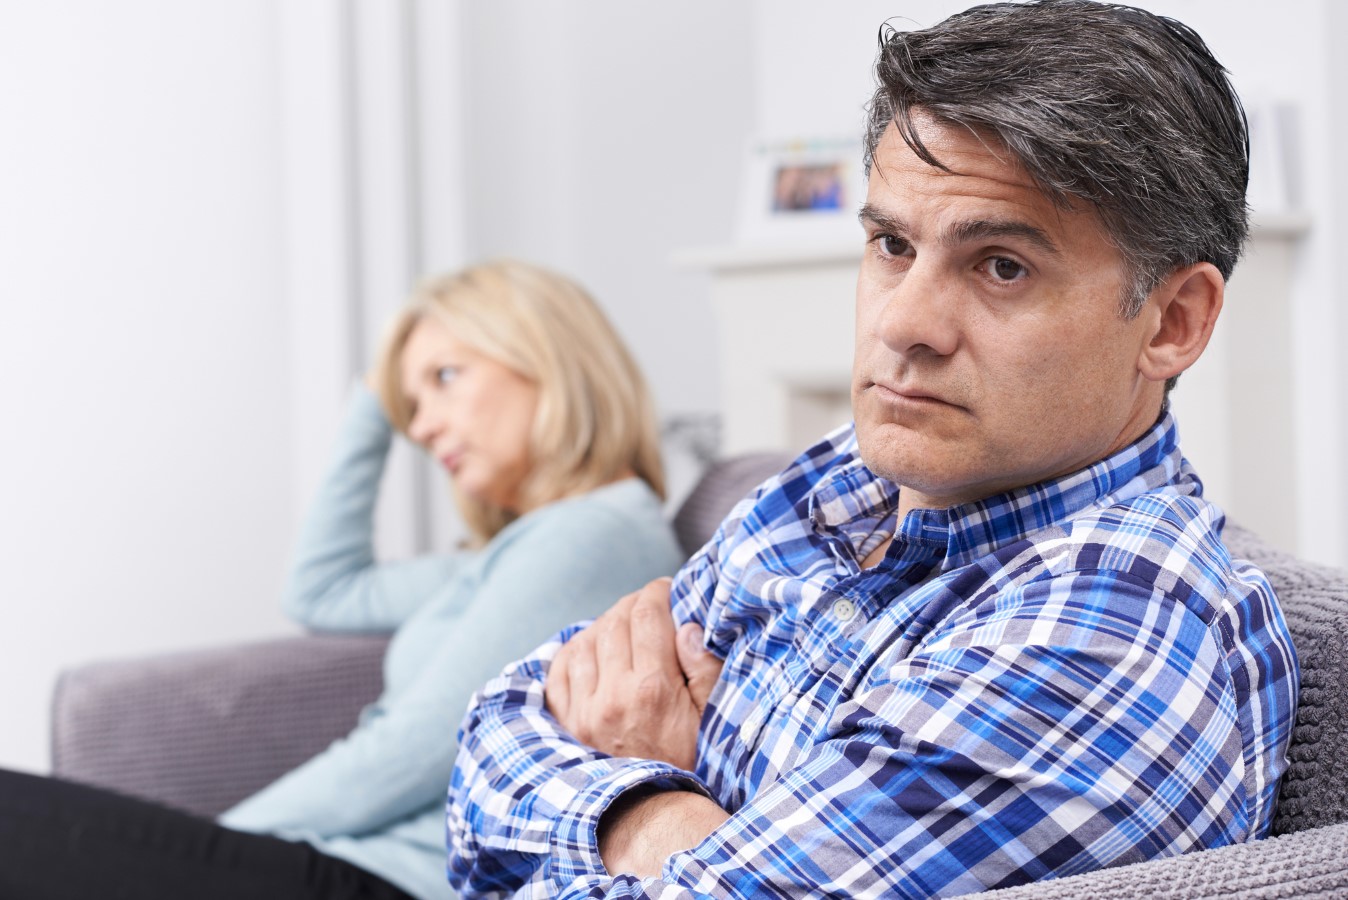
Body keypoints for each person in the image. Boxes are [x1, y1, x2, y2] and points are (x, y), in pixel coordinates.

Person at [445, 3, 1301, 897]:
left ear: (1173, 321)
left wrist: (624, 791)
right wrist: (658, 816)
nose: (902, 323)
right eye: (892, 245)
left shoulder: (1112, 636)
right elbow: (493, 729)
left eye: (1002, 265)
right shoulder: (848, 477)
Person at [0, 260, 685, 899]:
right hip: (349, 859)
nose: (422, 425)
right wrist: (370, 405)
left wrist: (209, 846)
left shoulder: (592, 537)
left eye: (445, 377)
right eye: (407, 405)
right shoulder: (527, 547)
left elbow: (407, 755)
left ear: (549, 359)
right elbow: (322, 590)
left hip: (393, 880)